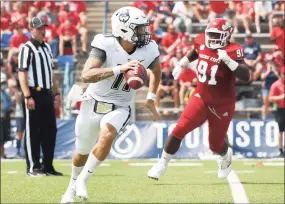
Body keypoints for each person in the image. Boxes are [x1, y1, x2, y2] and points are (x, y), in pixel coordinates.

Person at [60, 6, 161, 203]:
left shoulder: (149, 49)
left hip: (120, 105)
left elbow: (156, 71)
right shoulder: (105, 43)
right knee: (81, 152)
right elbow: (87, 74)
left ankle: (83, 180)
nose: (144, 33)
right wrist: (120, 68)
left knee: (107, 136)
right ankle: (71, 186)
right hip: (92, 102)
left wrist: (151, 97)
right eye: (139, 29)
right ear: (124, 30)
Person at [148, 18, 250, 180]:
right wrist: (183, 63)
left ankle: (225, 156)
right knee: (179, 129)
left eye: (217, 36)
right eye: (210, 34)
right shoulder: (201, 41)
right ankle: (162, 163)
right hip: (200, 98)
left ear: (227, 36)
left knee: (215, 145)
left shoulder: (233, 50)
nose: (212, 39)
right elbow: (196, 50)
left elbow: (246, 75)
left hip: (222, 104)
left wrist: (229, 61)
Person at [18, 17, 62, 177]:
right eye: (38, 28)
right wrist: (27, 95)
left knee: (50, 131)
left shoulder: (48, 48)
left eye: (43, 28)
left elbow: (51, 75)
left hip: (46, 93)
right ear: (32, 30)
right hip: (33, 93)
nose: (42, 31)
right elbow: (22, 73)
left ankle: (48, 166)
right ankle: (33, 167)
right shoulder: (26, 48)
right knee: (33, 131)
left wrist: (56, 93)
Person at [269, 66, 285, 157]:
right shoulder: (276, 85)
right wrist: (282, 97)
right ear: (280, 74)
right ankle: (280, 149)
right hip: (280, 109)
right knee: (281, 130)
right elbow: (270, 98)